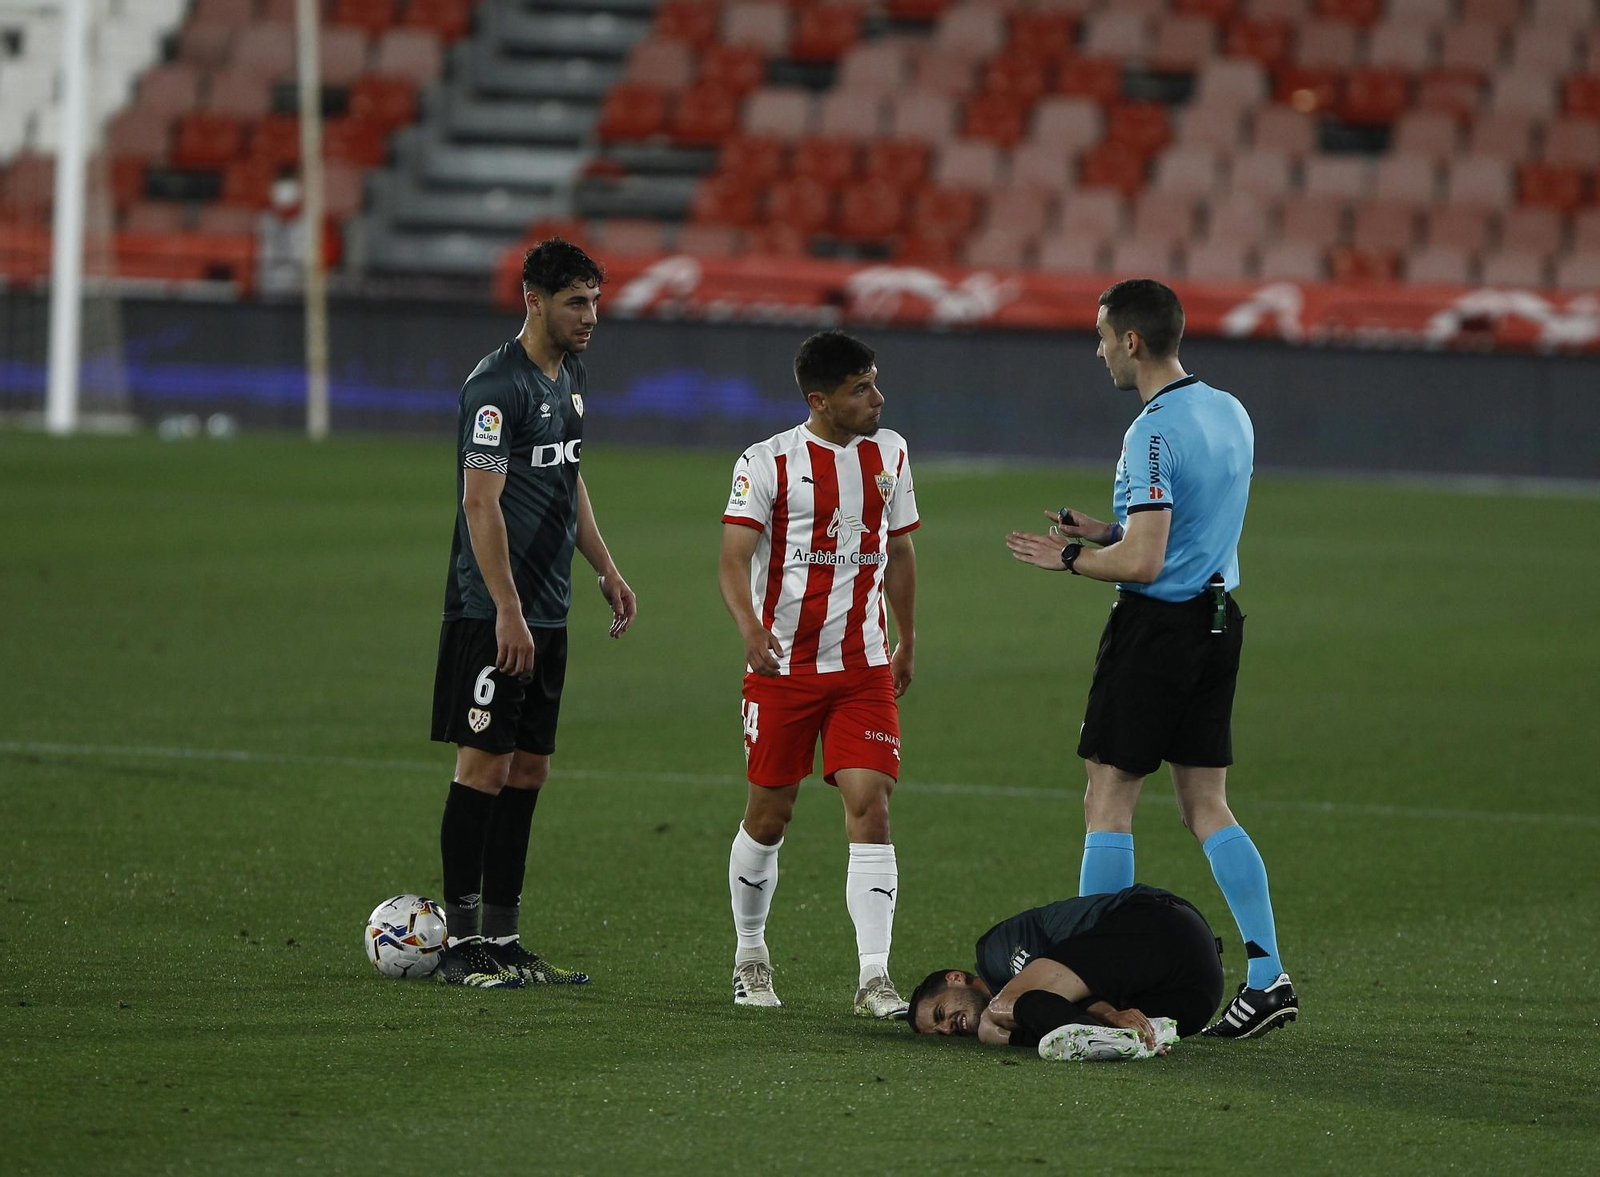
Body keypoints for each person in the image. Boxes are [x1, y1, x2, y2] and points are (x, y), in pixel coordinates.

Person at [1003, 278, 1297, 1039]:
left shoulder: (1151, 432)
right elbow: (1190, 531)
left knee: (1108, 800)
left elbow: (1146, 563)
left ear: (1131, 340)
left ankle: (1095, 984)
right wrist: (1106, 530)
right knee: (1207, 805)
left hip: (1157, 631)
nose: (1098, 350)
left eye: (1103, 336)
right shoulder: (1229, 409)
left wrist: (1070, 557)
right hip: (1218, 621)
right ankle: (1267, 976)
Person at [429, 238, 637, 988]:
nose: (590, 316)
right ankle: (460, 945)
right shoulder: (495, 388)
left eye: (595, 301)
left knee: (528, 770)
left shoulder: (571, 375)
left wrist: (605, 567)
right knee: (483, 767)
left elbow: (567, 477)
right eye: (576, 302)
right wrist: (506, 609)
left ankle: (505, 938)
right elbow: (479, 504)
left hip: (548, 610)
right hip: (492, 611)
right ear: (534, 301)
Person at [717, 330, 919, 1018]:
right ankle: (750, 954)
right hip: (784, 671)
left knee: (872, 805)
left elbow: (900, 552)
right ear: (820, 400)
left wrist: (908, 637)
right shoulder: (766, 461)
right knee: (770, 814)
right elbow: (732, 558)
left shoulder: (891, 453)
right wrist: (751, 630)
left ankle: (874, 977)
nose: (877, 398)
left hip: (863, 667)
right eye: (861, 388)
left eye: (875, 382)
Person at [906, 885, 1227, 1060]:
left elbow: (1064, 978)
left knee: (996, 1014)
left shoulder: (993, 952)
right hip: (1193, 1001)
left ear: (955, 978)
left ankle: (1106, 1031)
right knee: (1004, 1024)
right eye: (940, 1032)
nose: (947, 1028)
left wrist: (1109, 1014)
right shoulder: (1030, 1013)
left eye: (940, 1013)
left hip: (1161, 924)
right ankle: (1131, 1040)